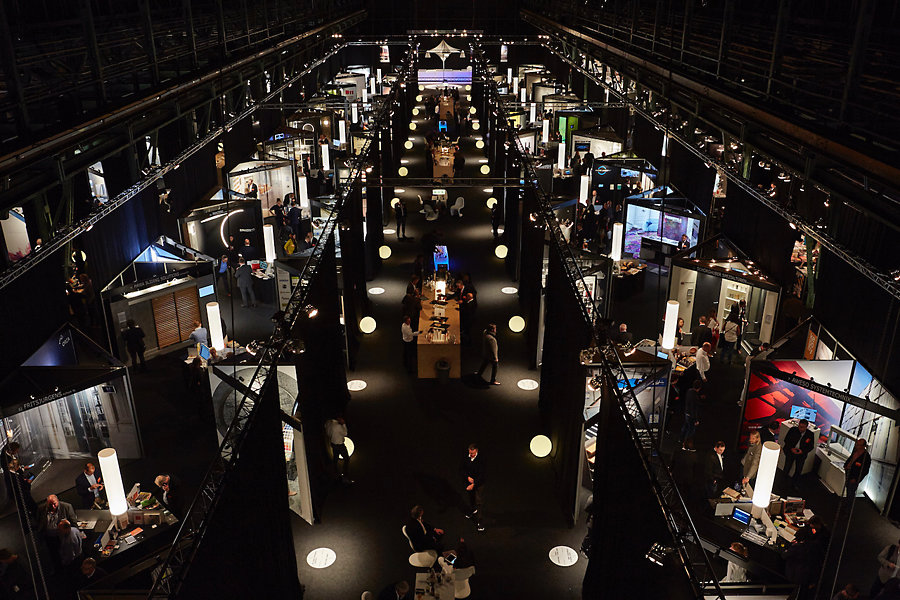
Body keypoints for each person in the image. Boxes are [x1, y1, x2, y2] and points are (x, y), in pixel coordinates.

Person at [37, 495, 77, 566]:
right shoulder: (41, 508)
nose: (53, 506)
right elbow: (39, 521)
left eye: (54, 504)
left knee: (65, 553)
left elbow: (73, 522)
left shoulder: (66, 507)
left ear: (58, 501)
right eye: (50, 504)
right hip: (49, 536)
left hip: (63, 536)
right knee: (53, 554)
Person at [782, 419, 815, 487]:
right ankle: (783, 482)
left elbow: (811, 446)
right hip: (791, 452)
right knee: (787, 467)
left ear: (806, 427)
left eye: (802, 427)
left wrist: (802, 451)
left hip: (801, 455)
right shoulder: (793, 430)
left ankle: (794, 484)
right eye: (799, 426)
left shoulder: (810, 434)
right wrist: (791, 448)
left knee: (798, 470)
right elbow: (786, 440)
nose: (800, 428)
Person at [461, 444, 485, 531]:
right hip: (469, 483)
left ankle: (480, 522)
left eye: (473, 453)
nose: (471, 455)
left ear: (476, 451)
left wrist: (474, 484)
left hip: (478, 484)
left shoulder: (481, 460)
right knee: (471, 497)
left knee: (478, 502)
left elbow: (482, 475)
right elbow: (462, 469)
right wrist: (467, 477)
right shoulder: (466, 457)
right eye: (470, 453)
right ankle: (472, 510)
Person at [325, 416, 352, 483]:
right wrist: (344, 424)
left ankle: (336, 473)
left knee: (335, 458)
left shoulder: (328, 423)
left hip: (333, 443)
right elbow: (345, 433)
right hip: (340, 445)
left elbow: (327, 431)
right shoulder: (338, 426)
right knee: (346, 458)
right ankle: (344, 474)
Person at [680, 379, 701, 451]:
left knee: (685, 427)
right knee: (691, 431)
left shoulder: (689, 391)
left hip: (686, 412)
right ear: (699, 388)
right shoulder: (695, 396)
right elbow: (694, 409)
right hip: (691, 415)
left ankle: (681, 440)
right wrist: (696, 420)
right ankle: (686, 445)